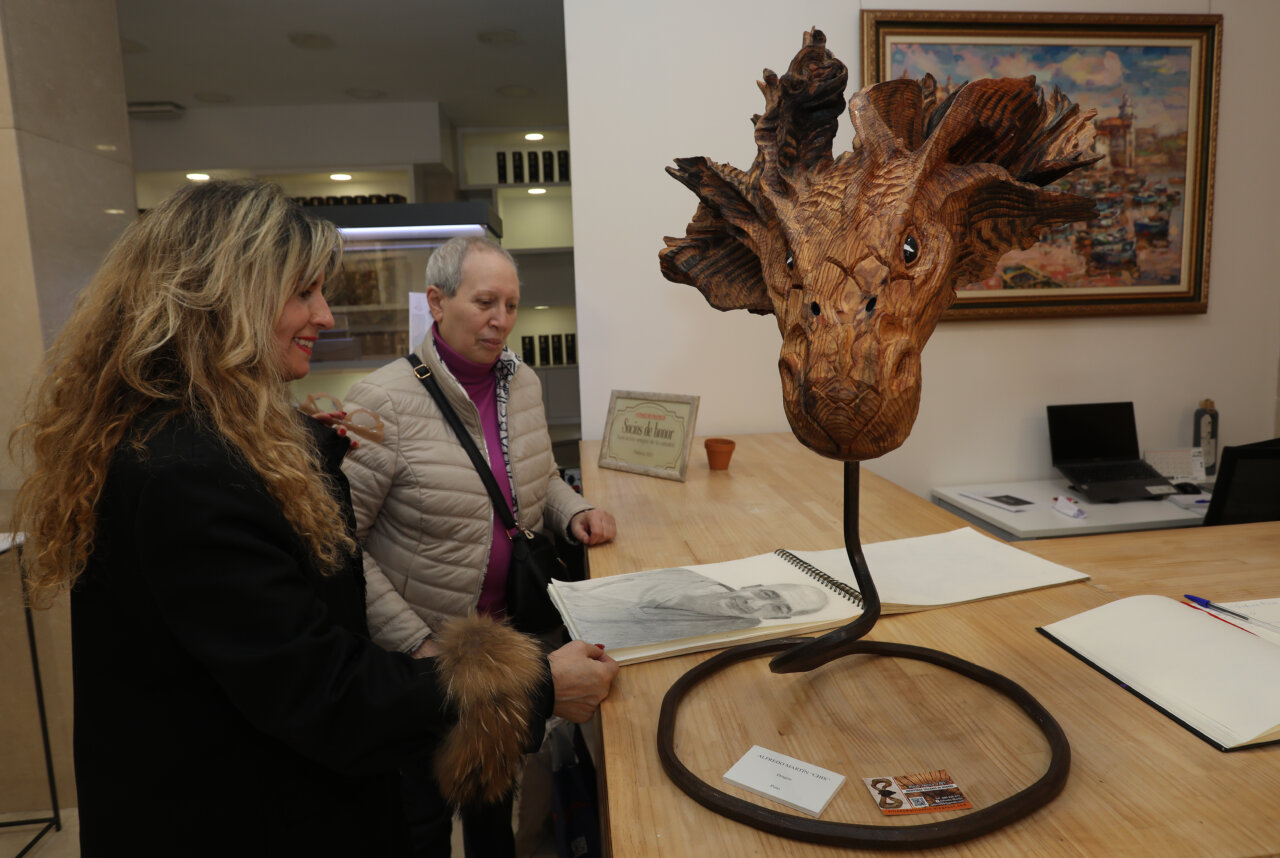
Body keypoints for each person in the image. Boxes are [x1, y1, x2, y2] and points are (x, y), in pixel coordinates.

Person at [7, 180, 607, 857]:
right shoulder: (185, 472)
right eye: (303, 293)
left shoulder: (219, 436)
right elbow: (326, 690)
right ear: (223, 298)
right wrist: (534, 687)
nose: (325, 315)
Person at [340, 235, 619, 856]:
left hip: (505, 645)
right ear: (437, 302)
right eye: (485, 302)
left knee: (492, 800)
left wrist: (574, 513)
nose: (501, 321)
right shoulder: (382, 400)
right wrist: (415, 643)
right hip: (424, 659)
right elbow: (342, 544)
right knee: (423, 819)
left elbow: (536, 475)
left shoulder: (523, 385)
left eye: (512, 305)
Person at [554, 567, 831, 648]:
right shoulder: (685, 577)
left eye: (777, 609)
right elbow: (582, 598)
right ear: (753, 585)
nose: (754, 603)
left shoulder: (735, 631)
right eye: (768, 593)